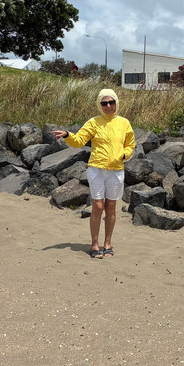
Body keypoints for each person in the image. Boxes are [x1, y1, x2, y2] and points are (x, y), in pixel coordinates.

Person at [50, 88, 135, 259]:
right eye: (104, 103)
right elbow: (79, 141)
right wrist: (68, 135)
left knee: (111, 207)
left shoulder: (124, 123)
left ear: (116, 103)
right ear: (99, 105)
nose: (108, 106)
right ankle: (95, 244)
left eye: (111, 102)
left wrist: (124, 155)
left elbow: (130, 145)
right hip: (96, 170)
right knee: (97, 206)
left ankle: (108, 244)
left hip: (116, 171)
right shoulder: (93, 122)